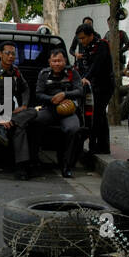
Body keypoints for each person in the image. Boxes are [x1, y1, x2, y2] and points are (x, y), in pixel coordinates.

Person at [32, 48, 85, 178]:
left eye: (59, 61)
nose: (57, 64)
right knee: (34, 123)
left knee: (73, 129)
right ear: (49, 62)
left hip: (68, 110)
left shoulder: (72, 73)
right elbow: (38, 94)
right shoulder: (44, 74)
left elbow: (80, 91)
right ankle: (33, 161)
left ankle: (66, 165)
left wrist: (64, 94)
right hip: (49, 109)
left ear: (64, 61)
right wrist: (52, 99)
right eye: (54, 61)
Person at [0, 42, 36, 179]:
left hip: (12, 113)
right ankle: (22, 168)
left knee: (33, 112)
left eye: (13, 53)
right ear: (0, 54)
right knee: (21, 128)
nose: (10, 56)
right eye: (7, 53)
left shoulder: (16, 71)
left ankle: (7, 126)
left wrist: (25, 105)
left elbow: (26, 88)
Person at [75, 23, 114, 155]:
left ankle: (97, 145)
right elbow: (84, 65)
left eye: (83, 38)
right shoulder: (86, 47)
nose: (81, 41)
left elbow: (96, 65)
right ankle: (100, 145)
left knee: (98, 114)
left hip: (104, 85)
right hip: (93, 85)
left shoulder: (101, 45)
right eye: (79, 39)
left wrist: (86, 77)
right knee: (99, 115)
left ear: (91, 35)